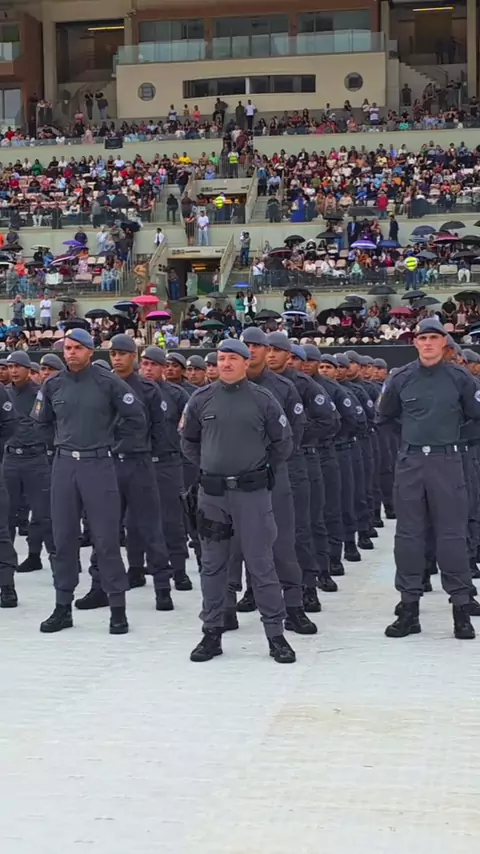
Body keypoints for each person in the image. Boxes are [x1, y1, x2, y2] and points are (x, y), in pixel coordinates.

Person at [180, 338, 297, 664]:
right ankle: (212, 633)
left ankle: (275, 634)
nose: (226, 363)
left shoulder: (263, 399)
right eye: (221, 358)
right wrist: (211, 466)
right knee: (212, 565)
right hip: (213, 496)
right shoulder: (201, 399)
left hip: (251, 496)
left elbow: (283, 444)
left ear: (247, 362)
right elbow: (188, 441)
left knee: (261, 564)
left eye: (233, 358)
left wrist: (256, 470)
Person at [31, 328, 146, 636]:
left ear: (90, 351)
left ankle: (117, 608)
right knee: (63, 538)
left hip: (99, 465)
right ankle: (62, 607)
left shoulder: (108, 382)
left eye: (78, 348)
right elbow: (41, 423)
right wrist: (58, 446)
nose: (71, 353)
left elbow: (136, 418)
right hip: (64, 466)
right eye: (68, 348)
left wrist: (113, 445)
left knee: (106, 539)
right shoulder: (53, 384)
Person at [377, 318, 480, 640]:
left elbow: (477, 418)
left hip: (447, 462)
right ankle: (409, 608)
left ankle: (461, 608)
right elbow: (385, 417)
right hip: (411, 464)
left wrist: (454, 439)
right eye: (423, 338)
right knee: (408, 536)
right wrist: (411, 439)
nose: (428, 343)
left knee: (452, 535)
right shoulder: (401, 378)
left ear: (444, 343)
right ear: (415, 343)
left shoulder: (460, 378)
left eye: (434, 338)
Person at [75, 334, 175, 612]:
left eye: (122, 353)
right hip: (107, 464)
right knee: (104, 530)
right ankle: (99, 587)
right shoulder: (101, 386)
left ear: (134, 356)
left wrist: (145, 452)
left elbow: (160, 428)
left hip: (139, 463)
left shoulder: (148, 389)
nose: (117, 358)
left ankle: (163, 589)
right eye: (113, 354)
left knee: (150, 528)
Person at [227, 326, 316, 636]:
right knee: (232, 545)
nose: (251, 350)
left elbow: (294, 432)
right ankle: (230, 605)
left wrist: (268, 462)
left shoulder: (283, 388)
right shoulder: (223, 388)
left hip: (272, 474)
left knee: (282, 543)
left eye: (257, 345)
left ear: (267, 351)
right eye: (246, 345)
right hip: (233, 479)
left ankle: (294, 606)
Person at [138, 346, 191, 591]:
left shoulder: (177, 394)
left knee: (172, 520)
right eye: (144, 364)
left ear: (162, 368)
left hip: (168, 462)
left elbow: (189, 427)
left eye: (153, 365)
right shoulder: (129, 391)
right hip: (139, 462)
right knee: (137, 520)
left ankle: (178, 570)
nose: (148, 369)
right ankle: (138, 568)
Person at [4, 351, 56, 574]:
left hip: (35, 458)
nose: (13, 371)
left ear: (28, 369)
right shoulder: (4, 393)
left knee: (44, 513)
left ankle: (55, 561)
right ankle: (6, 563)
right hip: (10, 459)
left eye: (18, 366)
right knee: (6, 514)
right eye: (10, 367)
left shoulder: (40, 394)